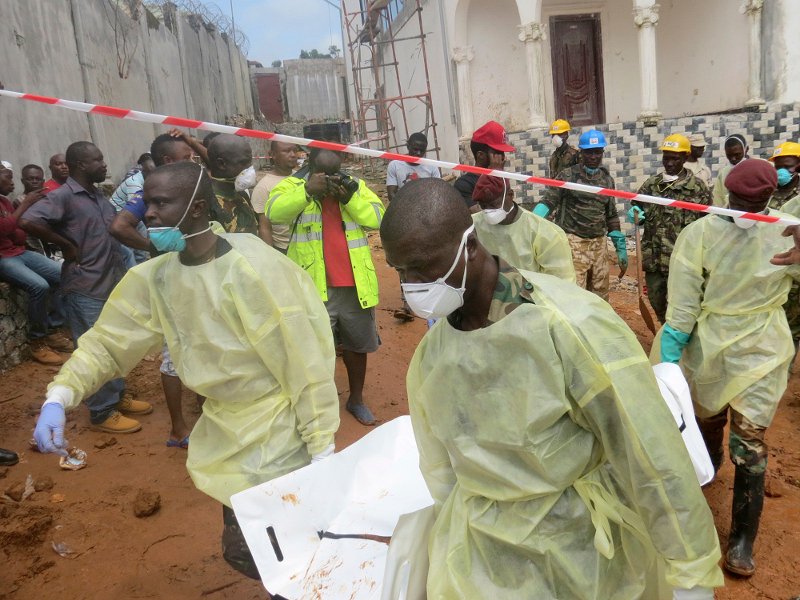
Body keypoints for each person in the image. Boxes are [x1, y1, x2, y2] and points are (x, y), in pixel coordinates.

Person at [380, 178, 722, 599]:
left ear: (469, 245)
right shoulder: (432, 356)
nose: (411, 285)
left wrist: (691, 574)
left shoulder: (569, 327)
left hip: (579, 555)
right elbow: (442, 469)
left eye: (422, 265)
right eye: (401, 271)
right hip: (482, 562)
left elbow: (649, 453)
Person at [32, 161, 340, 583]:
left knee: (287, 548)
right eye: (147, 203)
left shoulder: (253, 271)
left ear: (196, 208)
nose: (149, 214)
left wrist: (321, 446)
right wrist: (60, 396)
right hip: (227, 430)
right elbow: (108, 343)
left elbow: (304, 364)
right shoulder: (158, 278)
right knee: (258, 547)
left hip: (279, 433)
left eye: (160, 203)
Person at [655, 159, 800, 577]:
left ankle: (741, 539)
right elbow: (683, 302)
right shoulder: (700, 233)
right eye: (737, 200)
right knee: (707, 416)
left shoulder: (788, 230)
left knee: (750, 444)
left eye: (755, 203)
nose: (744, 210)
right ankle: (711, 459)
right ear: (725, 193)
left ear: (771, 198)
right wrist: (671, 350)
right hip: (711, 345)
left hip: (762, 348)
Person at [19, 141, 152, 433]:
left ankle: (115, 396)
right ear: (81, 165)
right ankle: (101, 411)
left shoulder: (96, 195)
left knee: (112, 344)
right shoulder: (65, 196)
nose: (104, 165)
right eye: (98, 160)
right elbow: (29, 219)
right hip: (85, 286)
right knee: (95, 349)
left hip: (107, 282)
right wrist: (66, 245)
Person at [267, 149, 384, 426]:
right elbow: (275, 213)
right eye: (324, 173)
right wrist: (308, 191)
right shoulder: (293, 186)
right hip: (312, 287)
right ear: (310, 166)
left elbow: (378, 218)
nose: (331, 178)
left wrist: (350, 198)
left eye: (335, 172)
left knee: (357, 347)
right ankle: (318, 407)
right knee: (314, 351)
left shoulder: (354, 187)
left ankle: (356, 399)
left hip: (356, 286)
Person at [109, 132, 198, 448]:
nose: (193, 161)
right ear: (168, 161)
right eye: (186, 156)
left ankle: (202, 408)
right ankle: (178, 429)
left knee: (202, 341)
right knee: (174, 352)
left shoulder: (187, 184)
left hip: (197, 274)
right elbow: (119, 226)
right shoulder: (151, 191)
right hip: (172, 278)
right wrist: (155, 247)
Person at [628, 134, 711, 323]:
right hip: (655, 259)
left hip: (684, 261)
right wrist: (636, 213)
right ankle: (666, 332)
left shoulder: (697, 188)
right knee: (657, 302)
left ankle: (683, 343)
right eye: (667, 157)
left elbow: (707, 224)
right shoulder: (651, 185)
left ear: (684, 158)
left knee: (683, 306)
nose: (670, 163)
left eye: (675, 158)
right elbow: (637, 208)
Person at [535, 129, 625, 301]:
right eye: (589, 152)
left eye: (597, 152)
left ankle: (597, 327)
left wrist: (619, 245)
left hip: (599, 244)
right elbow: (549, 201)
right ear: (582, 153)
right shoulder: (568, 176)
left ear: (602, 153)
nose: (593, 157)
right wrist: (533, 221)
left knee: (600, 295)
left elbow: (611, 214)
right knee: (575, 295)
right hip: (574, 243)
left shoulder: (606, 180)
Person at [0, 165, 69, 364]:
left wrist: (14, 228)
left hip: (18, 251)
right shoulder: (13, 202)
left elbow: (17, 233)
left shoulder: (4, 202)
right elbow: (5, 229)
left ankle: (54, 328)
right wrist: (26, 204)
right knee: (39, 286)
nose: (12, 182)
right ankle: (37, 340)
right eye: (8, 177)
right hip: (3, 258)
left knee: (62, 274)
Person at [471, 171, 575, 282]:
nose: (488, 211)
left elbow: (562, 282)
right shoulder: (472, 226)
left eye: (493, 205)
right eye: (483, 206)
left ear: (510, 195)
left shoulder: (542, 231)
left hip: (532, 296)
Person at [206, 134, 271, 244]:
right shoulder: (208, 203)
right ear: (221, 164)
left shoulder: (242, 195)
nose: (250, 169)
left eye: (250, 162)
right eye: (244, 163)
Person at [454, 121, 515, 213]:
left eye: (503, 153)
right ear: (480, 155)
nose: (503, 157)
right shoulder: (464, 185)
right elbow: (484, 216)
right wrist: (493, 174)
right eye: (497, 153)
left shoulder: (500, 179)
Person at [250, 140, 299, 254]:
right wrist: (272, 257)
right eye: (286, 151)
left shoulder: (302, 177)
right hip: (284, 248)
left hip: (306, 245)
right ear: (272, 155)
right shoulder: (263, 187)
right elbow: (265, 227)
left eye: (295, 150)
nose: (292, 155)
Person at [385, 132, 440, 203]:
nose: (418, 153)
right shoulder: (395, 165)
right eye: (415, 149)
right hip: (402, 205)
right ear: (408, 146)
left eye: (422, 151)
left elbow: (437, 192)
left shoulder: (432, 167)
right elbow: (391, 194)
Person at [711, 134, 749, 207]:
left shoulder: (760, 169)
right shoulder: (723, 173)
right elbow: (718, 201)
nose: (733, 159)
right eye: (729, 155)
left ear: (746, 149)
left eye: (737, 154)